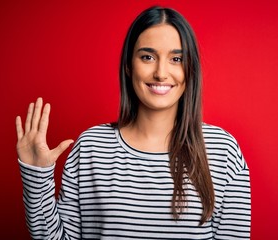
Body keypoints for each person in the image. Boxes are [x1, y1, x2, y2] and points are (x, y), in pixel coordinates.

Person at [16, 6, 251, 239]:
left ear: (190, 69)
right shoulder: (91, 147)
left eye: (176, 59)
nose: (161, 72)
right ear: (129, 65)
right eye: (147, 57)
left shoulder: (223, 151)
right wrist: (37, 176)